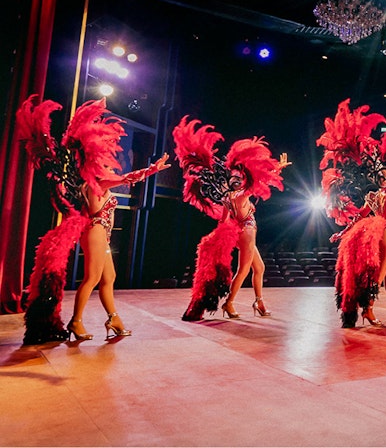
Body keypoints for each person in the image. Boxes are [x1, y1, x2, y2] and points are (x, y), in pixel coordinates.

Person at [16, 96, 170, 344]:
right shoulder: (98, 178)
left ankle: (114, 319)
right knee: (92, 278)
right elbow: (128, 178)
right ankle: (76, 321)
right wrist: (153, 169)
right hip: (96, 231)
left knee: (108, 279)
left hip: (101, 233)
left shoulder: (91, 178)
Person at [318, 99, 386, 328]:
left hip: (380, 234)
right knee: (378, 277)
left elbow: (359, 217)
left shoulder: (374, 197)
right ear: (380, 180)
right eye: (385, 177)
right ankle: (368, 309)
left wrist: (341, 234)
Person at [174, 117, 288, 321]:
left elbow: (224, 220)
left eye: (239, 177)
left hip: (241, 230)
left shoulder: (228, 197)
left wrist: (226, 232)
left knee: (259, 268)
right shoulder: (240, 195)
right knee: (243, 269)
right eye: (236, 178)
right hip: (246, 232)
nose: (238, 180)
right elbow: (257, 185)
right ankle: (229, 302)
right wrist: (277, 169)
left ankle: (258, 301)